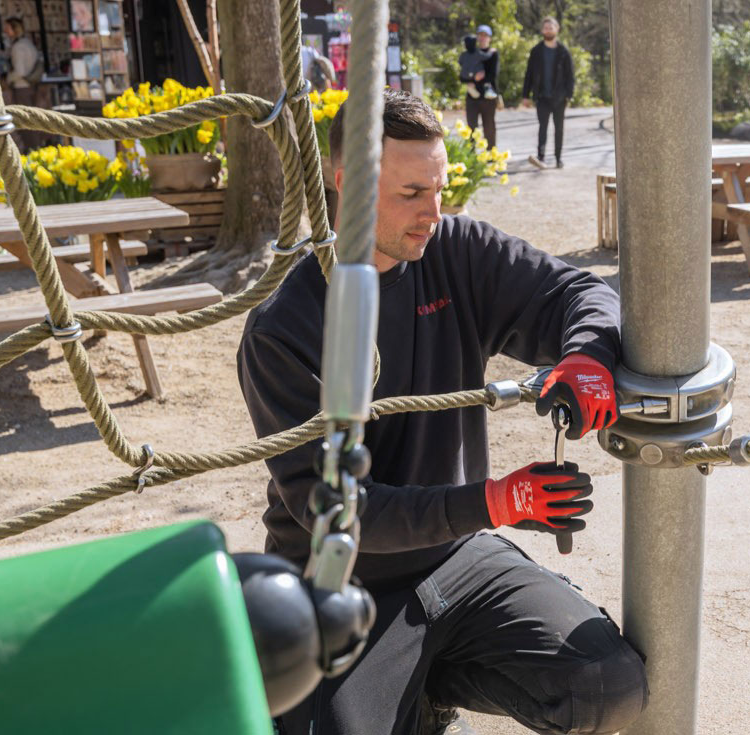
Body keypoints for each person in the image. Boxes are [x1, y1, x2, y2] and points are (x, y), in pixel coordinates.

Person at [237, 89, 647, 735]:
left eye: (440, 186)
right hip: (347, 583)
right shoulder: (283, 329)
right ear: (347, 183)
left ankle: (425, 682)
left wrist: (588, 356)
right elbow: (343, 514)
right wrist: (499, 501)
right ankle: (404, 692)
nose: (434, 211)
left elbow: (577, 291)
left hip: (456, 559)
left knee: (607, 685)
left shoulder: (454, 251)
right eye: (411, 194)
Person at [521, 17, 575, 169]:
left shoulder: (564, 52)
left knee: (559, 129)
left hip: (559, 98)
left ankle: (558, 158)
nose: (548, 30)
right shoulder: (536, 51)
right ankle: (541, 157)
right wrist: (525, 95)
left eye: (551, 27)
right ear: (542, 30)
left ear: (557, 29)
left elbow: (570, 76)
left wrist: (568, 95)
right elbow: (529, 74)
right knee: (542, 127)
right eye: (545, 27)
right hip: (542, 97)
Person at [1, 17, 47, 149]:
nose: (5, 31)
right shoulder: (27, 43)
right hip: (30, 87)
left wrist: (8, 79)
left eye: (7, 28)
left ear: (14, 29)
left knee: (24, 122)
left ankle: (32, 150)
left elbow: (20, 72)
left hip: (22, 88)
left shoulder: (18, 47)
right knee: (29, 120)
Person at [458, 24, 499, 146]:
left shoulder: (493, 54)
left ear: (489, 38)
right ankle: (472, 156)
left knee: (489, 127)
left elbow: (493, 75)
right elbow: (461, 77)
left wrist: (478, 79)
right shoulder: (469, 53)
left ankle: (491, 155)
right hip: (472, 98)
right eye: (480, 35)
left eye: (485, 35)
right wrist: (473, 78)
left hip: (488, 98)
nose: (482, 38)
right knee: (471, 128)